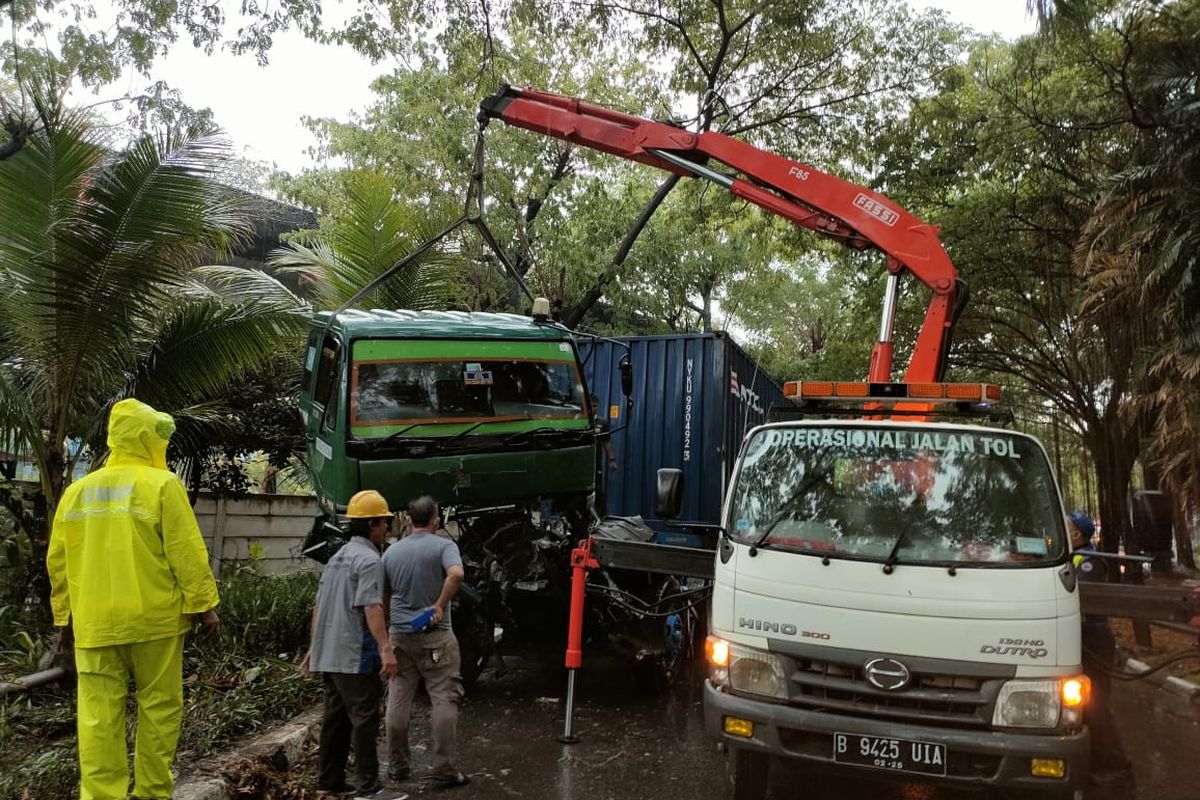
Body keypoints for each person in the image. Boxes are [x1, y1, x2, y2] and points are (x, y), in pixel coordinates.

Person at [47, 398, 221, 800]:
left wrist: (64, 618)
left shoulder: (76, 492)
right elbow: (185, 551)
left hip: (93, 623)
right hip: (153, 619)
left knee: (97, 720)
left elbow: (58, 562)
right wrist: (204, 606)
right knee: (158, 710)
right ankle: (151, 794)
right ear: (145, 438)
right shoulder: (161, 484)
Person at [302, 489, 399, 796]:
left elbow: (319, 606)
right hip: (354, 654)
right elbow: (372, 607)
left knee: (336, 720)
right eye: (384, 523)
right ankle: (368, 787)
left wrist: (313, 648)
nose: (386, 528)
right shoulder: (369, 560)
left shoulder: (337, 557)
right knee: (364, 720)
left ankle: (328, 782)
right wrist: (386, 648)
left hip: (329, 654)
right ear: (371, 523)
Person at [382, 496, 469, 787]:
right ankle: (443, 771)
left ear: (408, 520)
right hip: (436, 637)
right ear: (436, 519)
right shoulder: (445, 546)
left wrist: (385, 634)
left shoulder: (391, 552)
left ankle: (397, 767)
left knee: (397, 698)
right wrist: (439, 604)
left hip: (399, 637)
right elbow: (456, 574)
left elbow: (382, 596)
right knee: (444, 698)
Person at [1069, 511, 1137, 795]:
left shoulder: (1089, 562)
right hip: (1081, 637)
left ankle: (1116, 770)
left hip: (1094, 639)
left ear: (1077, 535)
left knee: (1096, 706)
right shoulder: (1074, 556)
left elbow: (1081, 595)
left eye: (1069, 526)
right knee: (1083, 705)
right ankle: (1094, 764)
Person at [590, 394, 618, 516]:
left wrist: (611, 460)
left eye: (595, 406)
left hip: (595, 466)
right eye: (590, 406)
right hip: (581, 465)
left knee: (598, 491)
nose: (593, 408)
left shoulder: (602, 423)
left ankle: (602, 518)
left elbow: (606, 442)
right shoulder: (578, 421)